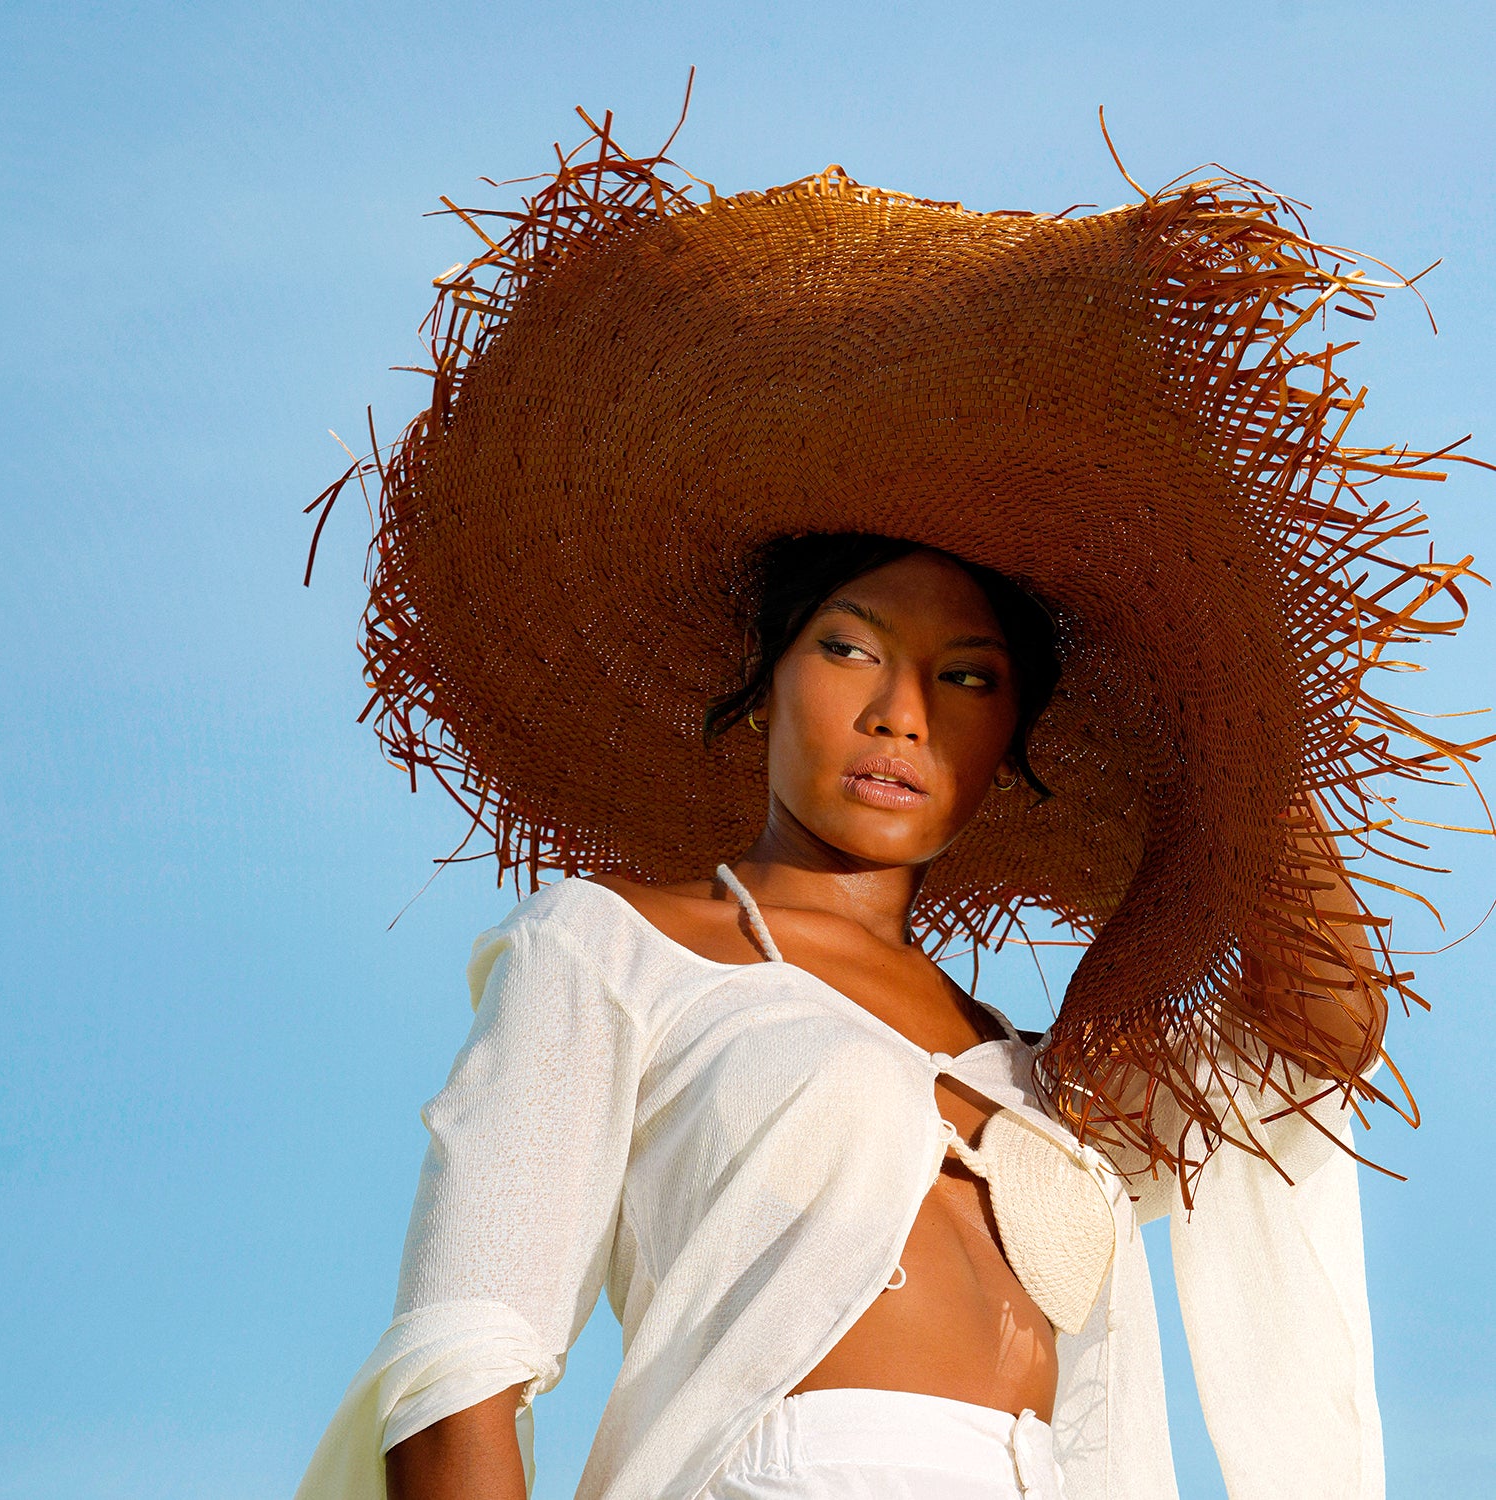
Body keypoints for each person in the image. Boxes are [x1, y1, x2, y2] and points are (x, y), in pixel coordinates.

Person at [296, 111, 1481, 1500]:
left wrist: (1222, 683)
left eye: (965, 679)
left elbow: (1321, 1022)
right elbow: (461, 1361)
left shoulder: (1050, 1081)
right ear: (763, 683)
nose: (900, 713)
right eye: (850, 648)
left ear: (1011, 747)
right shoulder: (613, 949)